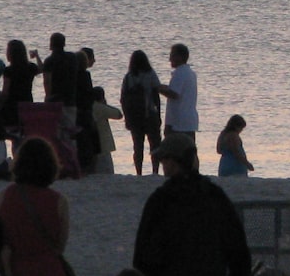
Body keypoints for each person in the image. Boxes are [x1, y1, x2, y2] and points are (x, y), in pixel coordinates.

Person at [132, 133, 251, 276]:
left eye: (163, 161)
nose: (162, 166)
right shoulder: (214, 195)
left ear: (172, 162)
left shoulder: (161, 200)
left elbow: (142, 256)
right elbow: (238, 249)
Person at [0, 136, 71, 276]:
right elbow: (60, 247)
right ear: (51, 166)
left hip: (14, 268)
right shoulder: (59, 201)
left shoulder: (5, 196)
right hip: (49, 269)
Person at [121, 50, 163, 175]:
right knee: (155, 145)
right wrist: (159, 114)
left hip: (134, 117)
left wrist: (127, 118)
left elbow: (123, 99)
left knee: (138, 146)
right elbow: (156, 96)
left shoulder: (128, 77)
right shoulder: (150, 74)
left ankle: (138, 171)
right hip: (149, 114)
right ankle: (155, 171)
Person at [0, 39, 42, 139]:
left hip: (12, 106)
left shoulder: (8, 70)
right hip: (27, 103)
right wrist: (37, 56)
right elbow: (42, 68)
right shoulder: (30, 67)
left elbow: (5, 92)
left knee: (12, 135)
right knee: (25, 134)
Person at [158, 43, 198, 141]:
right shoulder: (190, 73)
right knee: (189, 152)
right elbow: (176, 89)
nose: (170, 59)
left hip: (178, 123)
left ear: (179, 57)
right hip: (188, 122)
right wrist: (160, 86)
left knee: (174, 152)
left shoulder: (180, 73)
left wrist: (157, 89)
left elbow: (174, 94)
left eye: (172, 56)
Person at [43, 32, 78, 124]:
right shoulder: (72, 58)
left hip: (54, 100)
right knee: (69, 131)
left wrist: (47, 98)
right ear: (64, 44)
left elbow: (47, 81)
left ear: (51, 44)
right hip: (70, 99)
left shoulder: (49, 61)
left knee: (54, 130)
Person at [92, 86, 123, 174]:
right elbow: (119, 114)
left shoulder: (89, 106)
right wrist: (105, 104)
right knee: (107, 170)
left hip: (92, 145)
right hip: (103, 144)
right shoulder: (101, 108)